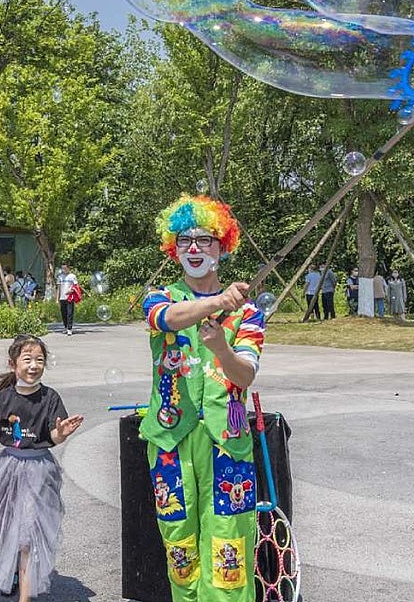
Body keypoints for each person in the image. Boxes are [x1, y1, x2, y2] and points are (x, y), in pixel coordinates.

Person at [141, 195, 265, 602]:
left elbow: (245, 374)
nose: (193, 248)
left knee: (229, 548)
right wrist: (216, 302)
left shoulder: (247, 313)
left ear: (222, 246)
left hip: (227, 445)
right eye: (184, 240)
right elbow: (165, 319)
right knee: (181, 548)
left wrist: (223, 351)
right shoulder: (159, 296)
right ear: (172, 249)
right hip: (171, 443)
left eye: (204, 239)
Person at [0, 335, 84, 600]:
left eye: (39, 359)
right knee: (7, 527)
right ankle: (14, 571)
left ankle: (24, 597)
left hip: (39, 470)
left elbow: (54, 435)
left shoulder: (50, 397)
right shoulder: (3, 398)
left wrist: (62, 433)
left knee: (27, 535)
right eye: (27, 359)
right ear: (12, 363)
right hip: (6, 469)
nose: (34, 365)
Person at [57, 265, 78, 336]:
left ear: (68, 268)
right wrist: (57, 299)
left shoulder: (72, 276)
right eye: (62, 268)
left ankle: (69, 329)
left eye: (65, 268)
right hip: (62, 297)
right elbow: (58, 288)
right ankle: (65, 327)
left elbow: (76, 287)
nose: (64, 270)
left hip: (70, 297)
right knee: (63, 313)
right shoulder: (60, 277)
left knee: (70, 313)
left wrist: (71, 291)